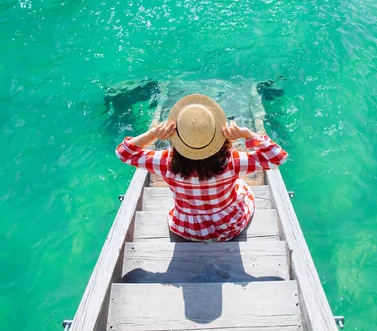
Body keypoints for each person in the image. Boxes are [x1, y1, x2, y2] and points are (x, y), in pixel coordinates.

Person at [116, 94, 288, 242]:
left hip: (186, 229)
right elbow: (277, 157)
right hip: (227, 228)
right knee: (241, 186)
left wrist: (152, 134)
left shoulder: (164, 163)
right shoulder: (233, 162)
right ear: (217, 135)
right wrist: (247, 134)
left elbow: (123, 153)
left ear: (177, 137)